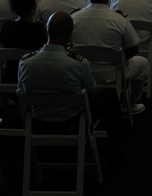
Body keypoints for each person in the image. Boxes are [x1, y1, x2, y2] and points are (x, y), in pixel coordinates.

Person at [17, 11, 127, 163]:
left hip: (39, 121)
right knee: (109, 94)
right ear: (70, 34)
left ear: (45, 30)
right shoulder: (79, 63)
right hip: (71, 121)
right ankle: (116, 152)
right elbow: (91, 90)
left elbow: (22, 93)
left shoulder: (25, 62)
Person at [71, 0, 148, 115]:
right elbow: (133, 49)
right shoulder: (119, 19)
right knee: (143, 63)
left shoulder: (73, 18)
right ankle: (129, 104)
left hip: (79, 73)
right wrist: (120, 58)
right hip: (112, 74)